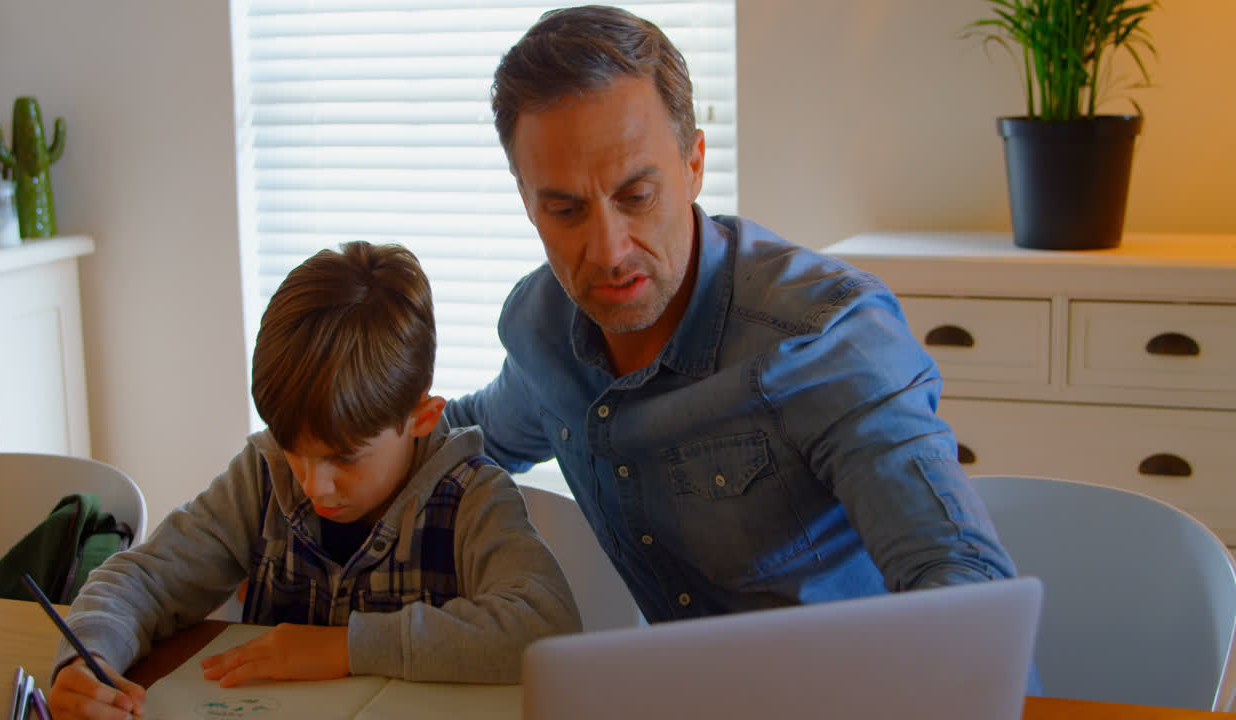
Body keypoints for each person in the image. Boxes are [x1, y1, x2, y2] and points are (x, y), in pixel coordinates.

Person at [444, 6, 1022, 623]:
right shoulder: (543, 328)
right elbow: (465, 437)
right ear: (527, 201)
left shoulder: (822, 333)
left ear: (693, 165)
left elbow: (964, 588)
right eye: (565, 210)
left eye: (636, 197)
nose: (609, 251)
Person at [50, 242, 581, 720]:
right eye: (293, 451)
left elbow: (544, 625)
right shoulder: (262, 475)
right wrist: (86, 656)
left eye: (344, 459)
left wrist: (345, 647)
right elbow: (145, 578)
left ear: (421, 418)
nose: (312, 486)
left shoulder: (472, 497)